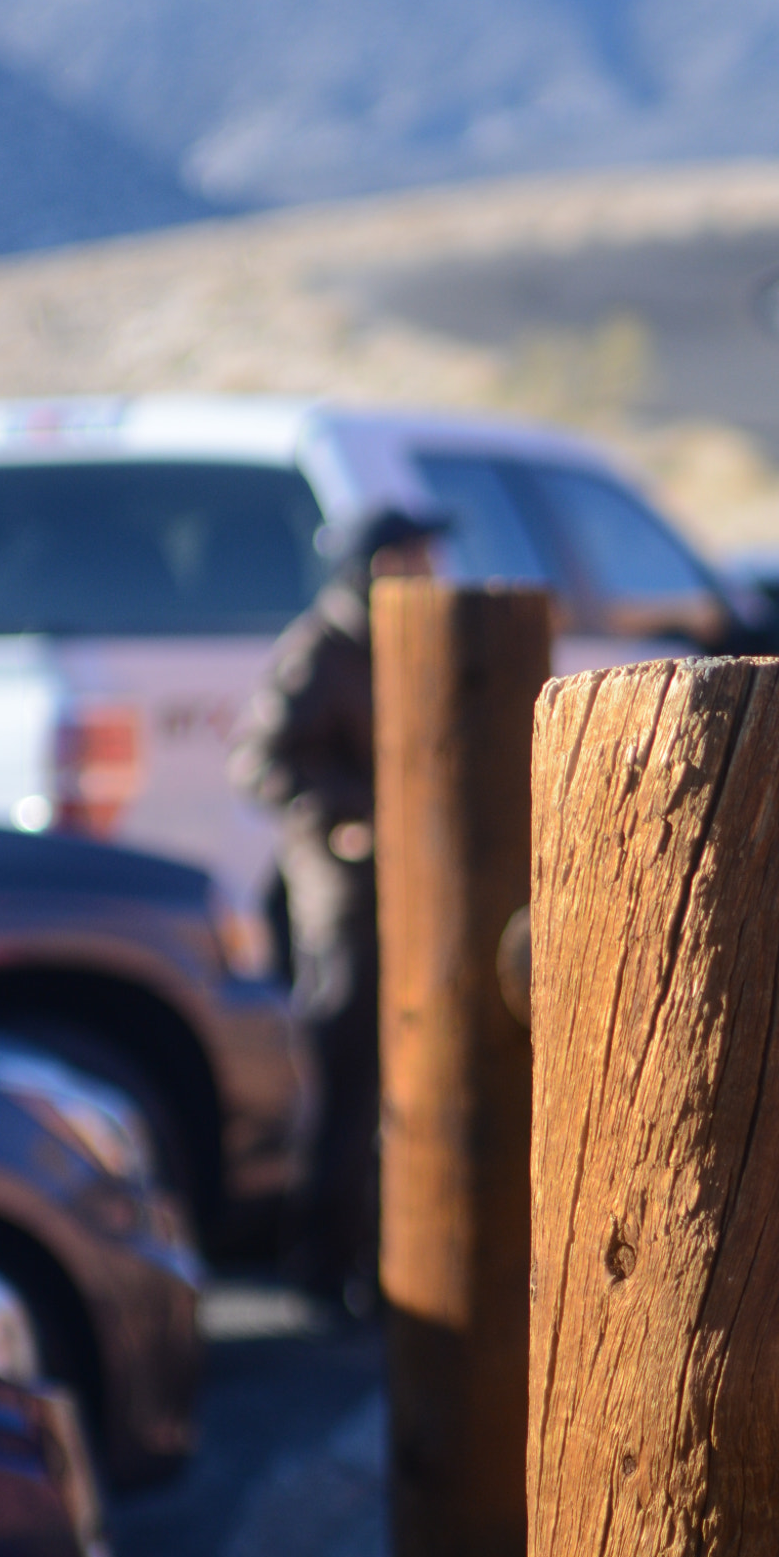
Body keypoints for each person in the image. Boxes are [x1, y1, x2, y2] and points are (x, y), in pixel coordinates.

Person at [230, 505, 444, 1310]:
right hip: (345, 899)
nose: (428, 568)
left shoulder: (411, 637)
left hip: (413, 895)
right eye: (415, 555)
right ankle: (321, 1273)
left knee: (410, 1087)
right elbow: (258, 765)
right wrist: (358, 813)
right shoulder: (322, 650)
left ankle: (379, 1264)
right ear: (377, 565)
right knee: (345, 1086)